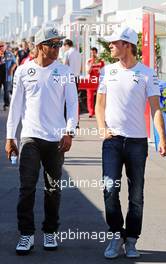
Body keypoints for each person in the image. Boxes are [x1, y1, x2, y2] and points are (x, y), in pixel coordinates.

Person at [95, 26, 166, 259]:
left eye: (114, 43)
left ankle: (132, 240)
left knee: (136, 194)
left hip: (137, 142)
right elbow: (99, 104)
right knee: (109, 188)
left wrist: (161, 138)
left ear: (127, 45)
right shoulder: (107, 71)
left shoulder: (147, 73)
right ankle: (116, 235)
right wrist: (102, 129)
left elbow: (156, 108)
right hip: (113, 141)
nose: (110, 46)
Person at [5, 26, 78, 255]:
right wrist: (10, 137)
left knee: (53, 189)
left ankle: (49, 231)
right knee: (27, 188)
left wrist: (69, 132)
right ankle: (26, 235)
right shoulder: (23, 71)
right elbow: (15, 106)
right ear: (39, 46)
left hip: (55, 139)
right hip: (30, 137)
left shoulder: (64, 71)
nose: (57, 48)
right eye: (52, 44)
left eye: (59, 44)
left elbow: (73, 104)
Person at [63, 39, 81, 127]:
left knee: (67, 100)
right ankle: (76, 121)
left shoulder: (67, 53)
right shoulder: (78, 53)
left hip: (69, 77)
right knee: (75, 100)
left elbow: (64, 66)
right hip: (77, 77)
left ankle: (68, 121)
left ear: (66, 45)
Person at [86, 47, 104, 117]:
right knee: (90, 97)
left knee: (100, 97)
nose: (92, 54)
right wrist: (91, 64)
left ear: (96, 53)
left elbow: (103, 71)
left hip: (99, 80)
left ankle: (99, 111)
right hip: (91, 80)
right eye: (91, 52)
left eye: (94, 52)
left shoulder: (100, 61)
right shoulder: (88, 61)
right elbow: (88, 71)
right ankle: (91, 112)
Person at [0, 41, 16, 110]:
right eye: (0, 46)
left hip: (7, 75)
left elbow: (14, 63)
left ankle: (6, 104)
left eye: (3, 46)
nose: (1, 48)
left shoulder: (10, 54)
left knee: (6, 91)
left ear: (5, 46)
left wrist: (11, 69)